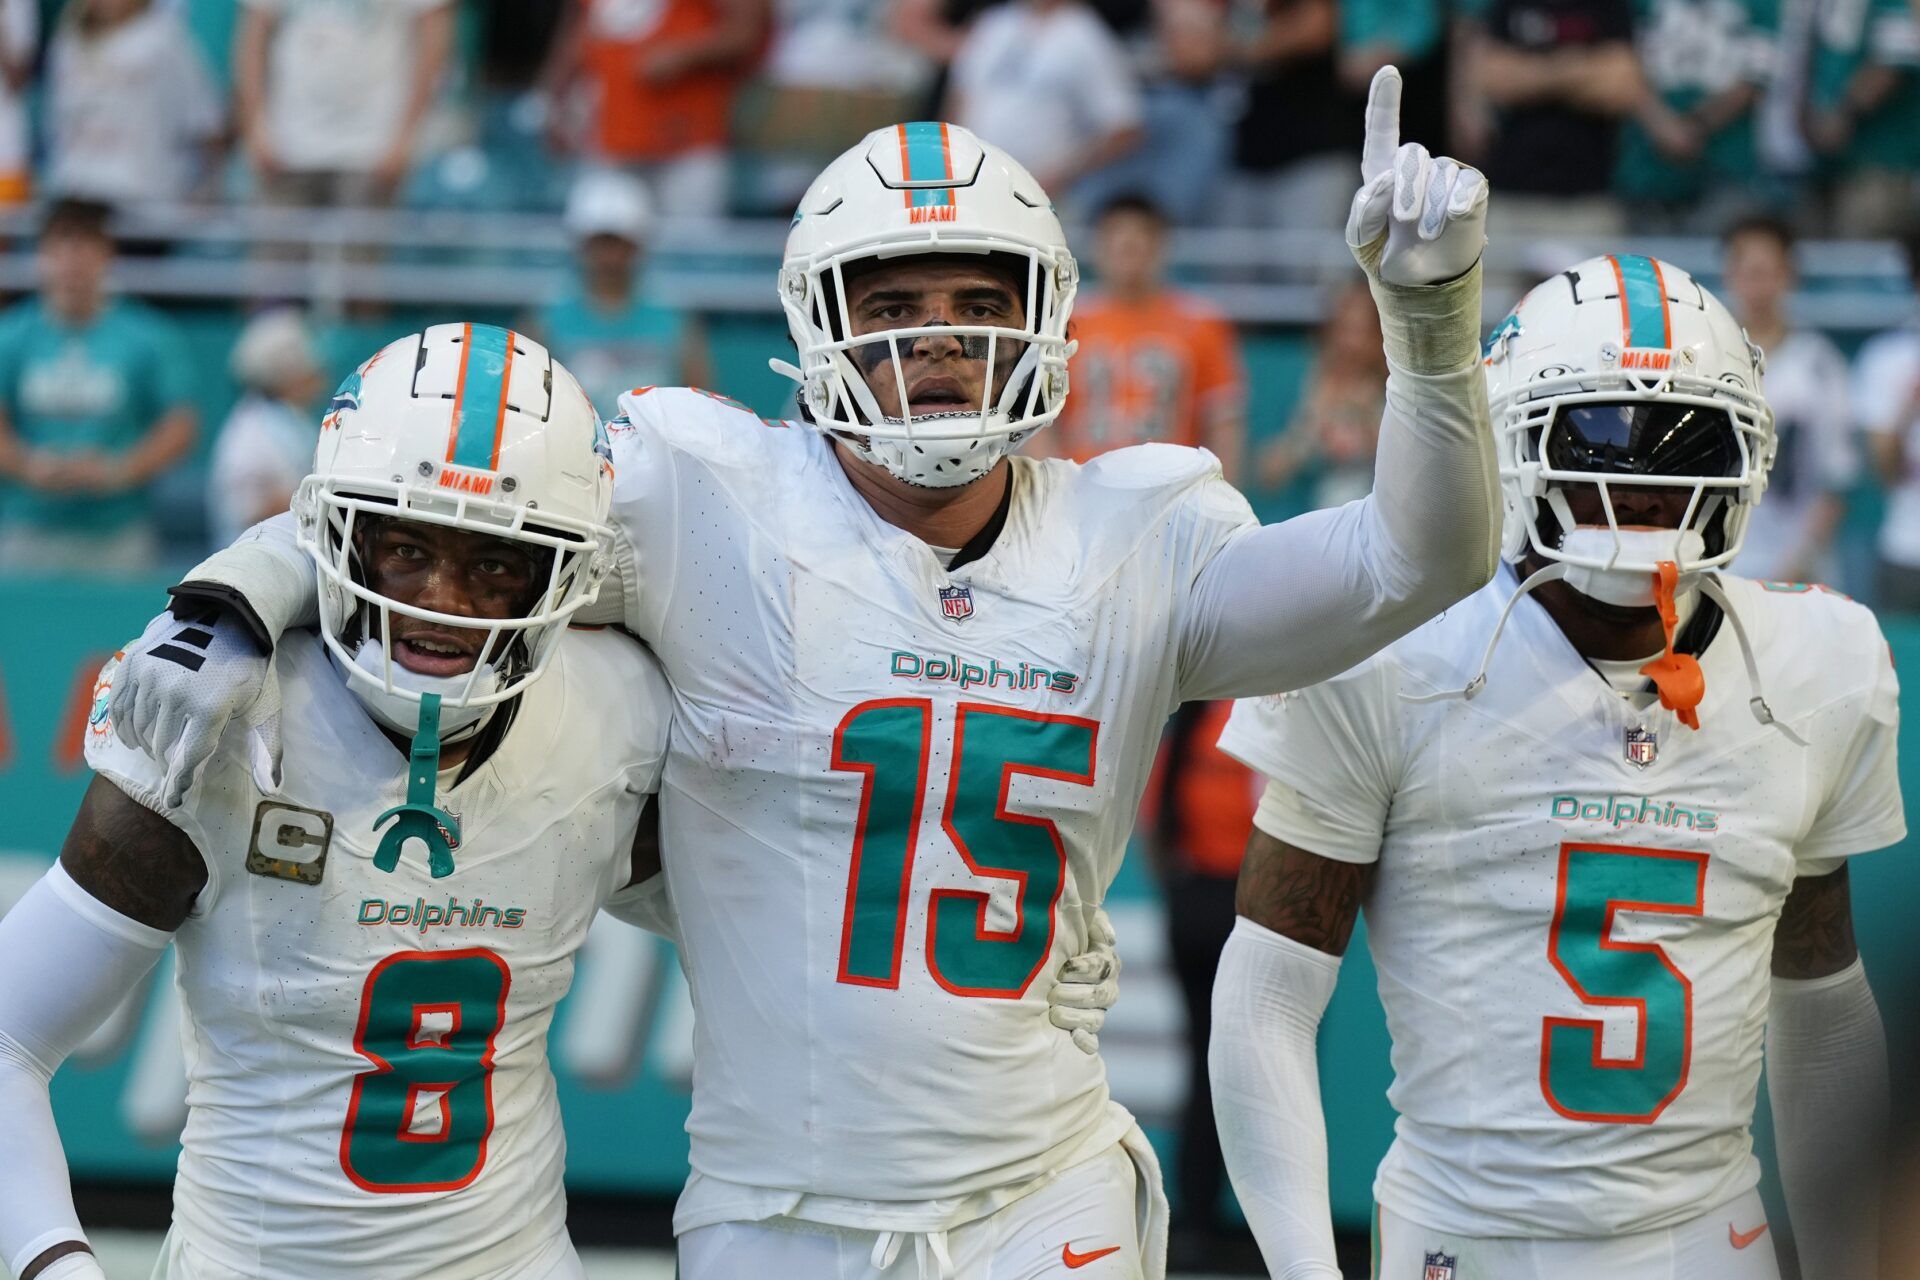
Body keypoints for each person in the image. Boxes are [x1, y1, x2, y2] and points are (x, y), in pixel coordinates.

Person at [103, 70, 1500, 1277]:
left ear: (1045, 316)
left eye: (977, 298)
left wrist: (1429, 324)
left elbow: (1411, 563)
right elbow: (424, 499)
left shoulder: (1141, 529)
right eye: (895, 299)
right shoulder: (698, 496)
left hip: (1043, 1184)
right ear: (818, 319)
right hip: (774, 1204)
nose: (941, 335)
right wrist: (232, 602)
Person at [0, 323, 1120, 1280]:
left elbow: (792, 903)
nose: (445, 602)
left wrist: (1033, 943)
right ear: (336, 536)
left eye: (496, 563)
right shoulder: (225, 713)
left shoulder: (621, 710)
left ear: (568, 576)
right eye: (402, 549)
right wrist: (57, 1261)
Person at [1212, 256, 1900, 1280]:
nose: (1646, 480)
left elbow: (1825, 1007)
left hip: (1704, 1241)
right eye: (1598, 436)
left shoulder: (1816, 663)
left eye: (1687, 443)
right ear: (1513, 445)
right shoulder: (1392, 650)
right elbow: (1268, 989)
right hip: (1460, 1240)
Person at [0, 198, 196, 575]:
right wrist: (30, 466)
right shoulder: (11, 335)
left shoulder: (147, 335)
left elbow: (180, 425)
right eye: (62, 244)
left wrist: (118, 470)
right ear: (42, 254)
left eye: (86, 245)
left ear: (107, 254)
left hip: (117, 532)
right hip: (27, 528)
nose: (73, 261)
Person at [1137, 700, 1259, 1266]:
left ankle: (1201, 1223)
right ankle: (1225, 1223)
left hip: (1213, 902)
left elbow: (1154, 821)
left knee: (1212, 1066)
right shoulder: (1272, 709)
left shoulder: (1199, 715)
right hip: (1241, 907)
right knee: (1252, 1067)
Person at [1032, 194, 1246, 480]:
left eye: (1139, 240)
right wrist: (1059, 490)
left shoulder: (1201, 321)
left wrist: (1221, 493)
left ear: (1161, 245)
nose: (1129, 250)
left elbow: (1223, 422)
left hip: (1172, 487)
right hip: (1086, 486)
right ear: (1098, 246)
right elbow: (1040, 422)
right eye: (1118, 239)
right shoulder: (1062, 321)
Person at [538, 0, 770, 220]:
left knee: (689, 250)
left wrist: (683, 54)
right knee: (605, 246)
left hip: (687, 148)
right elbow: (580, 33)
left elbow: (747, 31)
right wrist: (552, 105)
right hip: (610, 142)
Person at [1720, 215, 1855, 585]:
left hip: (1798, 567)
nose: (1758, 285)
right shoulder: (1708, 358)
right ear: (1729, 273)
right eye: (1749, 271)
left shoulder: (1820, 362)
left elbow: (1837, 480)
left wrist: (1799, 561)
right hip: (1719, 563)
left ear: (1788, 275)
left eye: (1768, 272)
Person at [527, 170, 712, 419]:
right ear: (582, 244)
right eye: (601, 242)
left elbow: (702, 405)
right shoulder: (547, 318)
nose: (610, 256)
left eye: (619, 243)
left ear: (637, 245)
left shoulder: (672, 317)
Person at [234, 0, 453, 207]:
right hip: (288, 143)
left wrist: (405, 137)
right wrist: (256, 128)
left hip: (372, 146)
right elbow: (252, 39)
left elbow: (434, 40)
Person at [44, 0, 223, 208]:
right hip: (77, 198)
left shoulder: (165, 39)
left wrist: (207, 189)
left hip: (144, 206)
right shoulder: (67, 42)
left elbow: (206, 125)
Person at [1259, 278, 1387, 509]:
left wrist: (1366, 427)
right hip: (1307, 515)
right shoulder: (1304, 380)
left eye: (1361, 331)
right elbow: (1269, 472)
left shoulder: (1395, 391)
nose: (1350, 342)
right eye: (1344, 329)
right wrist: (1314, 432)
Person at [207, 308, 326, 548]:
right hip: (254, 560)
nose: (321, 372)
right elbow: (246, 510)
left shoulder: (292, 419)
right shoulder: (249, 434)